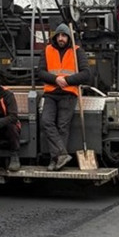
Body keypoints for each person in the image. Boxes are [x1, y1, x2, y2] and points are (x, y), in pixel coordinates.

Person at [37, 23, 91, 171]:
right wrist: (55, 79)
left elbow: (86, 74)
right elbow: (40, 72)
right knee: (46, 121)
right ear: (55, 37)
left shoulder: (77, 51)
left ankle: (56, 160)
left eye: (64, 36)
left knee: (62, 127)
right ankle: (61, 155)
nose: (61, 38)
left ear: (69, 37)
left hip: (69, 94)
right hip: (51, 93)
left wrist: (66, 80)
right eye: (59, 36)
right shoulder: (47, 50)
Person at [0, 72, 21, 171]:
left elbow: (13, 116)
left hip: (5, 126)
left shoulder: (7, 94)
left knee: (11, 126)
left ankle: (14, 156)